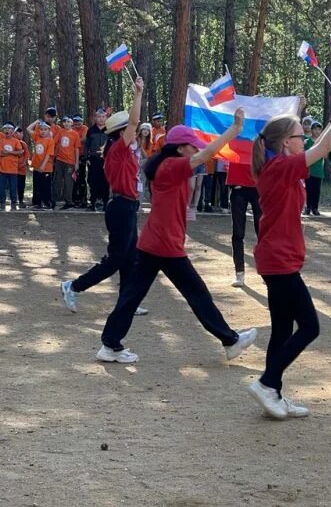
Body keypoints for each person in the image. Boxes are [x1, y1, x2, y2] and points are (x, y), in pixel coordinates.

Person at [95, 112, 258, 365]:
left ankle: (110, 344)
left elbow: (200, 159)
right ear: (181, 148)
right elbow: (205, 156)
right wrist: (235, 129)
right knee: (197, 294)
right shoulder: (171, 165)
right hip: (165, 246)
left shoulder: (168, 165)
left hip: (154, 243)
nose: (196, 150)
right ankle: (230, 341)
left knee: (131, 296)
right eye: (192, 145)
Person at [247, 85, 331, 419]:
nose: (304, 137)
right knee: (310, 326)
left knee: (282, 329)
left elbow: (317, 146)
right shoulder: (280, 167)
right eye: (299, 134)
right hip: (278, 261)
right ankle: (267, 383)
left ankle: (274, 393)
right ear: (284, 143)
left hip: (279, 258)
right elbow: (324, 146)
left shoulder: (281, 166)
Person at [61, 78, 147, 314]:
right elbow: (134, 120)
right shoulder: (118, 148)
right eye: (130, 130)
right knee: (115, 260)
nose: (136, 131)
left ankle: (126, 302)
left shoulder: (123, 150)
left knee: (130, 257)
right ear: (122, 132)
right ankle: (73, 286)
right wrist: (138, 94)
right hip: (120, 207)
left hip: (127, 206)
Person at [226, 159, 260, 287]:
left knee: (263, 232)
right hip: (238, 185)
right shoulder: (233, 139)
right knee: (238, 233)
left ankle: (267, 270)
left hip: (258, 185)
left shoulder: (261, 140)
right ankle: (239, 273)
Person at [53, 116, 81, 210]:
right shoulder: (60, 131)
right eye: (65, 122)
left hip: (70, 162)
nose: (66, 124)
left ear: (72, 123)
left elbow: (77, 149)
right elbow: (54, 142)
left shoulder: (75, 134)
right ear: (63, 123)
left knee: (68, 183)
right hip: (60, 160)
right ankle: (54, 201)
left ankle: (69, 202)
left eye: (68, 122)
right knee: (57, 181)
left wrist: (76, 163)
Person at [85, 108, 110, 211]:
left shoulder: (110, 130)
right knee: (93, 181)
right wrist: (86, 158)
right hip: (94, 159)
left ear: (106, 118)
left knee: (105, 181)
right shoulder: (91, 130)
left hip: (106, 160)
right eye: (98, 117)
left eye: (103, 116)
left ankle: (105, 202)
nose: (100, 119)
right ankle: (93, 202)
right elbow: (87, 145)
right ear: (95, 118)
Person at [0, 122, 24, 210]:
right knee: (1, 188)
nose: (7, 130)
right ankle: (2, 203)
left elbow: (20, 152)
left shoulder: (16, 141)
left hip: (13, 169)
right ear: (3, 130)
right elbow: (0, 153)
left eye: (9, 129)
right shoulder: (1, 141)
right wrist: (11, 154)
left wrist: (9, 152)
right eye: (5, 129)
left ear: (12, 131)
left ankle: (14, 204)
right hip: (2, 169)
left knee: (13, 187)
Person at [30, 122, 56, 210]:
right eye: (41, 129)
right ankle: (38, 203)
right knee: (37, 185)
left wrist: (43, 166)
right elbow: (28, 129)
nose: (43, 131)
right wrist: (37, 122)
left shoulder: (50, 140)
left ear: (49, 130)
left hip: (46, 167)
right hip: (36, 166)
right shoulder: (37, 137)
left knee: (46, 186)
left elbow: (49, 154)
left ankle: (47, 203)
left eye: (45, 130)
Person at [304, 121, 325, 216]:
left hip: (318, 171)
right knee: (309, 189)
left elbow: (326, 156)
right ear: (311, 130)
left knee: (317, 190)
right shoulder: (307, 142)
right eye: (315, 129)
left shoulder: (322, 143)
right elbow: (304, 154)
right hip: (309, 170)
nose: (317, 131)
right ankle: (308, 207)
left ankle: (315, 208)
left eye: (319, 129)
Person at [71, 115, 89, 208]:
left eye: (79, 122)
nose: (77, 124)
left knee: (81, 177)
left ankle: (83, 199)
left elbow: (84, 138)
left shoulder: (85, 128)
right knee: (73, 178)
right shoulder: (71, 128)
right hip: (72, 155)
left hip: (82, 155)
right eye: (76, 122)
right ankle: (74, 199)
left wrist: (73, 140)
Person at [14, 126, 30, 209]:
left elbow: (27, 156)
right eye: (17, 132)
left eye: (21, 132)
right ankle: (14, 200)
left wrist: (23, 163)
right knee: (13, 186)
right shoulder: (12, 143)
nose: (20, 134)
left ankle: (20, 200)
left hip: (22, 170)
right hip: (13, 169)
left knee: (21, 186)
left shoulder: (24, 144)